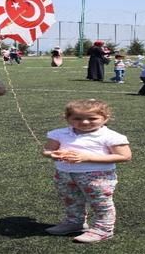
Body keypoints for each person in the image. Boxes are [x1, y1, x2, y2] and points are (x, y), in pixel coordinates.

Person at [42, 99, 132, 243]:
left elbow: (125, 156)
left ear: (105, 118)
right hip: (65, 175)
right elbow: (48, 150)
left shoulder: (111, 136)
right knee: (71, 200)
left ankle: (103, 229)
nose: (84, 122)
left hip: (97, 177)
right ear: (67, 118)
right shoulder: (59, 133)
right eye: (77, 118)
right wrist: (53, 154)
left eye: (92, 118)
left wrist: (87, 157)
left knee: (100, 203)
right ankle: (74, 223)